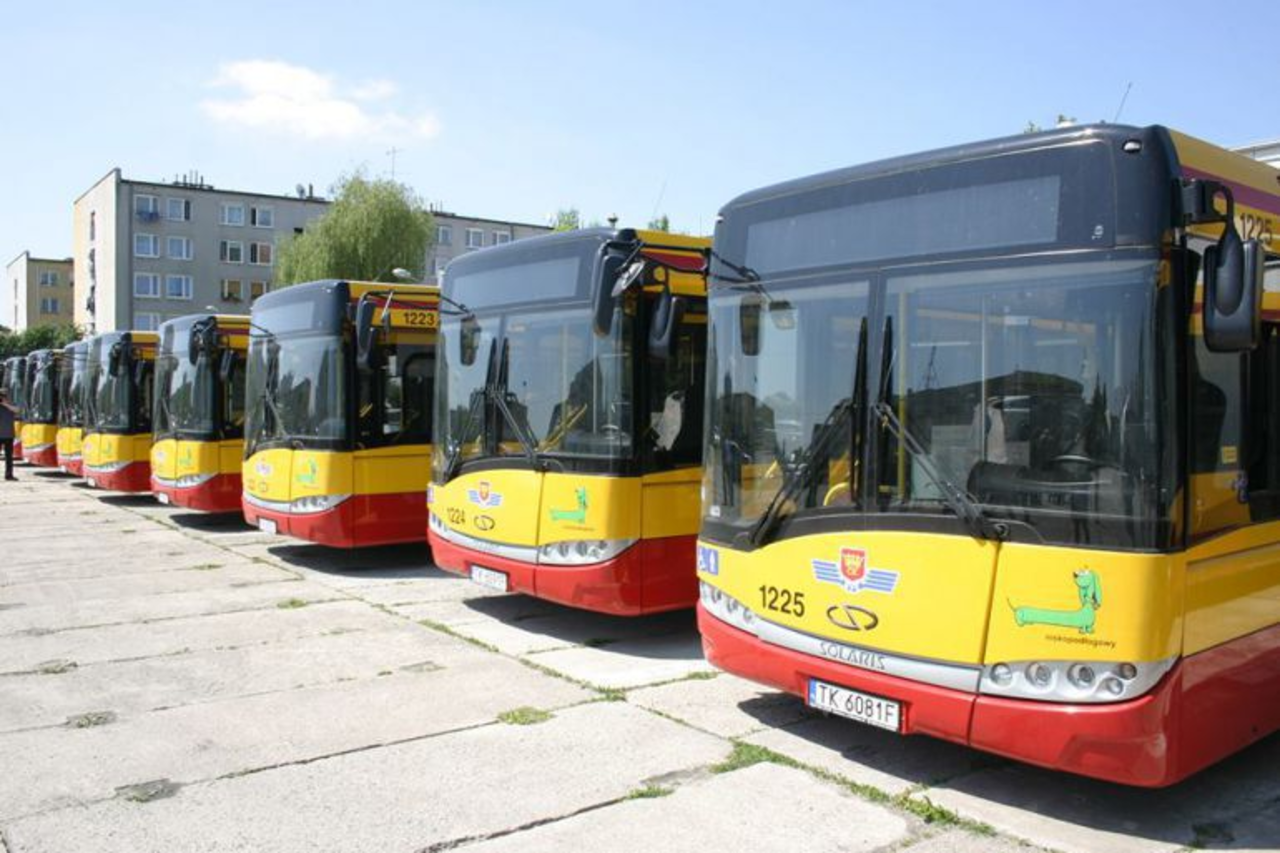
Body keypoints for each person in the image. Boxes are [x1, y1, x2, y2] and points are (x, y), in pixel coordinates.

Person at [0, 388, 17, 480]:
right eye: (1, 395)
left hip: (9, 435)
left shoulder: (11, 404)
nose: (3, 397)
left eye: (4, 396)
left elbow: (17, 410)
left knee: (9, 457)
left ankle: (9, 475)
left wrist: (6, 404)